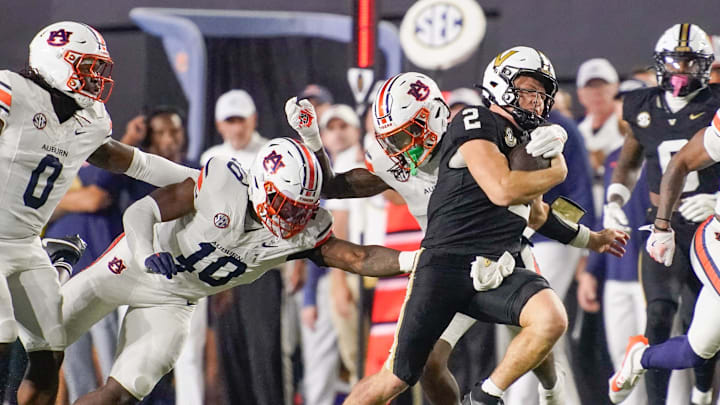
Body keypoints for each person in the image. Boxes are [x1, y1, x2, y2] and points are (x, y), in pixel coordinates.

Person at [286, 53, 626, 405]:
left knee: (541, 330)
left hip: (504, 257)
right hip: (445, 264)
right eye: (393, 140)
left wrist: (589, 238)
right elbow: (330, 186)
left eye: (408, 135)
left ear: (434, 117)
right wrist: (312, 138)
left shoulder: (480, 138)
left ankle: (550, 389)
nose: (402, 149)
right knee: (425, 365)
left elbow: (534, 213)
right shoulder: (397, 159)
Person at [59, 137, 417, 404]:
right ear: (261, 186)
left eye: (302, 208)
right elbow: (141, 211)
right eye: (286, 204)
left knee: (119, 395)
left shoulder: (302, 231)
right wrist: (146, 252)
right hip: (132, 265)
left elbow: (358, 258)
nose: (293, 217)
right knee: (45, 338)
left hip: (176, 299)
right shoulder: (221, 182)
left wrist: (412, 261)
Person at [0, 21, 198, 405]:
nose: (97, 78)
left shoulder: (90, 121)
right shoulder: (13, 91)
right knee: (3, 335)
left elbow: (137, 163)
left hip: (26, 244)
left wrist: (203, 179)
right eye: (87, 66)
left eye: (99, 68)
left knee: (48, 356)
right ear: (55, 61)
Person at [603, 23, 720, 405]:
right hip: (669, 223)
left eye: (690, 61)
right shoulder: (642, 106)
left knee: (698, 323)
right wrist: (614, 201)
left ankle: (702, 395)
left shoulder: (713, 103)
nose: (681, 69)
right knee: (658, 315)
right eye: (675, 60)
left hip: (709, 223)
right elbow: (633, 161)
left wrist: (717, 200)